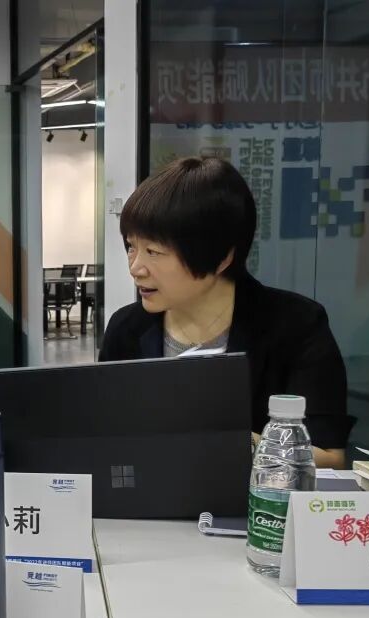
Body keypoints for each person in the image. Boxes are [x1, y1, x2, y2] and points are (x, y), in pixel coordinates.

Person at [99, 156, 354, 469]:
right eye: (131, 247)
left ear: (221, 257)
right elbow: (102, 437)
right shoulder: (127, 328)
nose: (136, 268)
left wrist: (220, 439)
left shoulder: (296, 325)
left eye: (154, 251)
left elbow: (329, 457)